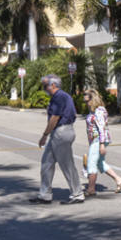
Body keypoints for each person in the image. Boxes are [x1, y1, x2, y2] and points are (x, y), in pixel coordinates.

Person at [33, 74, 84, 204]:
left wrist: (44, 135)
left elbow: (54, 118)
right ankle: (45, 195)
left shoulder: (59, 96)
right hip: (58, 133)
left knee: (67, 164)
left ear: (53, 85)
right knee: (46, 162)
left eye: (45, 86)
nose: (44, 88)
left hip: (62, 132)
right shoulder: (60, 96)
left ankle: (77, 194)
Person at [82, 88, 121, 197]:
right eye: (85, 101)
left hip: (98, 140)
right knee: (100, 163)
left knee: (91, 163)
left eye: (87, 101)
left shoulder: (99, 111)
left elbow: (101, 128)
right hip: (95, 140)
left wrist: (101, 144)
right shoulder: (93, 111)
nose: (86, 103)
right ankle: (119, 180)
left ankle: (91, 189)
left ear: (93, 99)